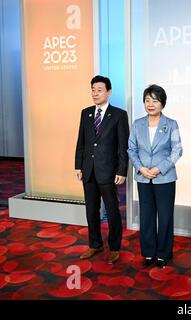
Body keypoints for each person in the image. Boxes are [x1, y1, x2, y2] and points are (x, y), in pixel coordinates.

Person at [75, 75, 129, 264]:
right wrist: (78, 165)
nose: (95, 93)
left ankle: (114, 247)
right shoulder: (86, 112)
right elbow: (81, 141)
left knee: (113, 211)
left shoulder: (119, 115)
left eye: (99, 89)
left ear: (108, 92)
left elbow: (123, 146)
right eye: (93, 89)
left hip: (109, 171)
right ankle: (95, 244)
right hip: (88, 170)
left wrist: (122, 170)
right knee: (91, 210)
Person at [128, 85, 182, 268]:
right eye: (147, 100)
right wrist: (141, 168)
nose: (150, 104)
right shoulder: (137, 124)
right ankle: (149, 252)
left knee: (165, 216)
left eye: (155, 100)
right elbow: (131, 149)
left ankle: (163, 253)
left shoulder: (171, 124)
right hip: (143, 177)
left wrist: (160, 168)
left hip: (164, 177)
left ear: (162, 103)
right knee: (146, 216)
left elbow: (177, 150)